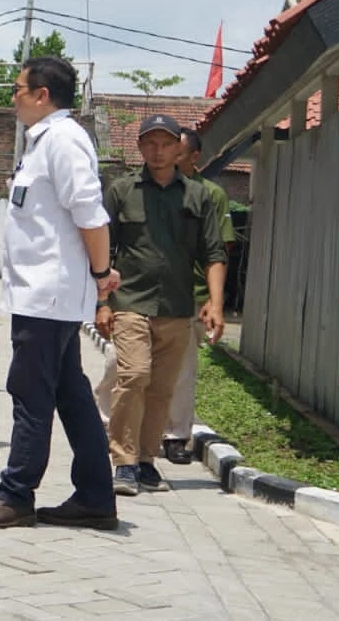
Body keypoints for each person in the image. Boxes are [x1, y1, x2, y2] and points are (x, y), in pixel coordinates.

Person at [0, 57, 119, 530]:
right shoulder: (42, 142)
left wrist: (102, 274)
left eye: (18, 89)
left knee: (30, 394)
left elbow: (91, 215)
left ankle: (16, 494)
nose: (12, 97)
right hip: (43, 294)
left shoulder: (64, 140)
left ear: (42, 95)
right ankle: (95, 496)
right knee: (71, 395)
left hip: (49, 295)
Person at [98, 115, 226, 497]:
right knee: (134, 376)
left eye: (166, 144)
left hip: (177, 305)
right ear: (140, 147)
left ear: (178, 149)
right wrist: (102, 302)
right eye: (150, 143)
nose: (158, 151)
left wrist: (216, 303)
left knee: (161, 389)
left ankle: (145, 460)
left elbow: (214, 253)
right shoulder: (122, 191)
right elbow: (102, 249)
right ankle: (123, 461)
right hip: (130, 301)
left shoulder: (198, 196)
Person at [162, 127, 235, 464]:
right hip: (146, 292)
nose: (168, 159)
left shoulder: (210, 196)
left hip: (191, 294)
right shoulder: (143, 189)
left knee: (182, 368)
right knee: (125, 364)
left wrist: (214, 300)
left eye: (176, 154)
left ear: (194, 158)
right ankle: (112, 425)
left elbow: (220, 250)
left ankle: (175, 435)